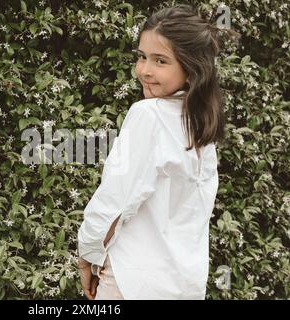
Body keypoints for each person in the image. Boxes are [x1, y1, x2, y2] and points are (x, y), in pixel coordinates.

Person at [77, 4, 240, 300]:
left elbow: (115, 201)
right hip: (184, 286)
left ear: (192, 70)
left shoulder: (148, 115)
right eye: (141, 57)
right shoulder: (202, 126)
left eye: (161, 61)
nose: (144, 70)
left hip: (131, 281)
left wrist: (87, 254)